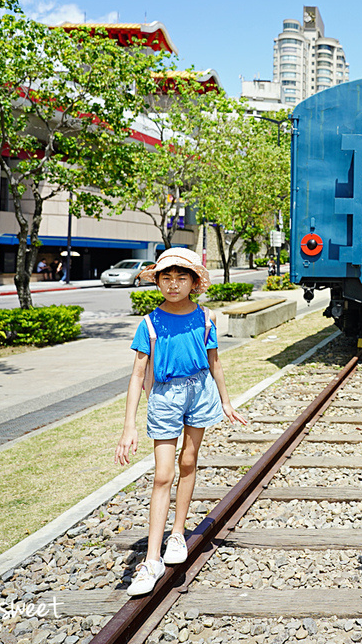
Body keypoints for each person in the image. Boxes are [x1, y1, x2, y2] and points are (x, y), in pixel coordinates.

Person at [114, 247, 248, 596]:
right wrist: (128, 426)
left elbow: (215, 363)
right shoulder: (149, 322)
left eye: (181, 277)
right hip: (164, 397)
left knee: (188, 462)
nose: (173, 284)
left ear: (193, 282)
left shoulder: (205, 319)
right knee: (163, 474)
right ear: (157, 282)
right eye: (166, 278)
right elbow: (137, 374)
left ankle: (177, 534)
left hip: (200, 392)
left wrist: (227, 401)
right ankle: (152, 560)